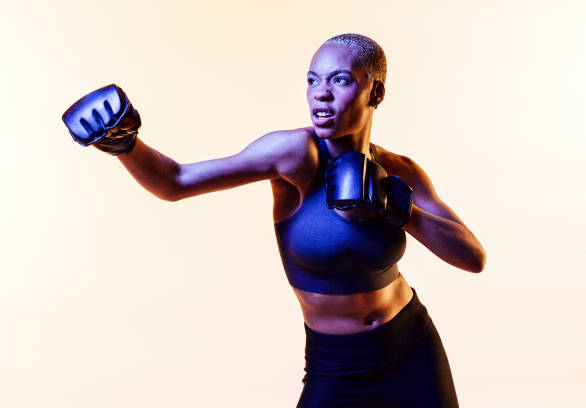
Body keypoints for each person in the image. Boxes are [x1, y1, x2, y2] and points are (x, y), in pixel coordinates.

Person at [62, 33, 486, 407]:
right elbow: (176, 181)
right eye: (312, 80)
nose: (320, 94)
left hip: (412, 346)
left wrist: (398, 209)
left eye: (340, 80)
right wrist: (127, 146)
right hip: (336, 363)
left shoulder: (399, 170)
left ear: (375, 93)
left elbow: (473, 257)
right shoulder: (294, 155)